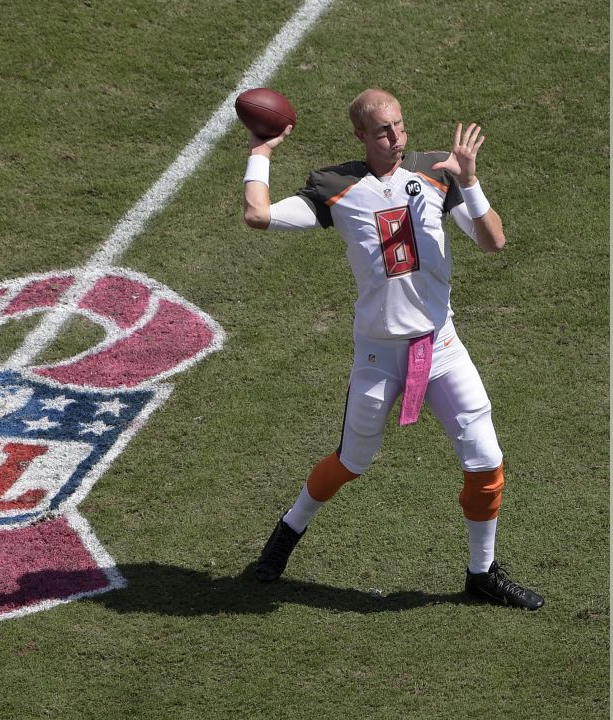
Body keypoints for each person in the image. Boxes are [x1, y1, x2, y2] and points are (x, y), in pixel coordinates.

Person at [240, 88, 543, 609]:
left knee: (486, 460)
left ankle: (482, 572)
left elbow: (494, 241)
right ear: (360, 134)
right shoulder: (336, 186)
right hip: (380, 354)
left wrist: (470, 179)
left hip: (440, 345)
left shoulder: (436, 171)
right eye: (383, 130)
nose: (397, 138)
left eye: (400, 126)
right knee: (352, 461)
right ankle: (286, 533)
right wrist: (261, 152)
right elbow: (257, 215)